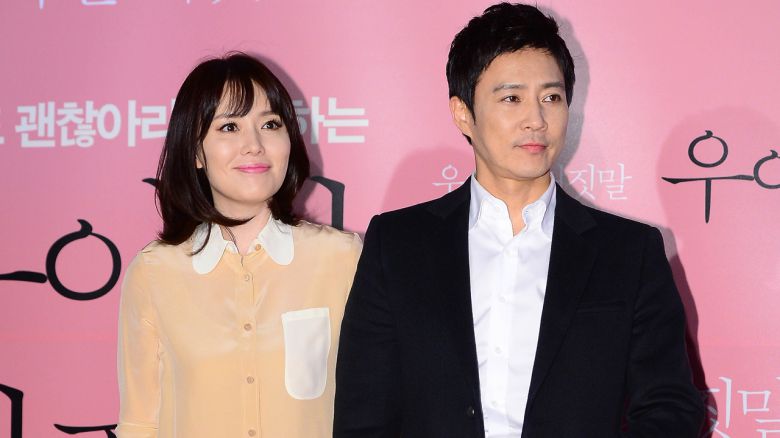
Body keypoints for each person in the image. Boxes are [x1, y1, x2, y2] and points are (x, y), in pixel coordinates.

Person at [333, 3, 704, 437]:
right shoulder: (398, 244)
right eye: (512, 98)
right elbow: (364, 415)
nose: (536, 120)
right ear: (463, 113)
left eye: (551, 98)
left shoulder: (629, 252)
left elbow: (670, 407)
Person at [116, 53, 361, 438]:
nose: (254, 145)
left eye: (270, 124)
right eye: (229, 127)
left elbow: (376, 404)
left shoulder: (342, 258)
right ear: (196, 152)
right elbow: (140, 422)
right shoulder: (154, 272)